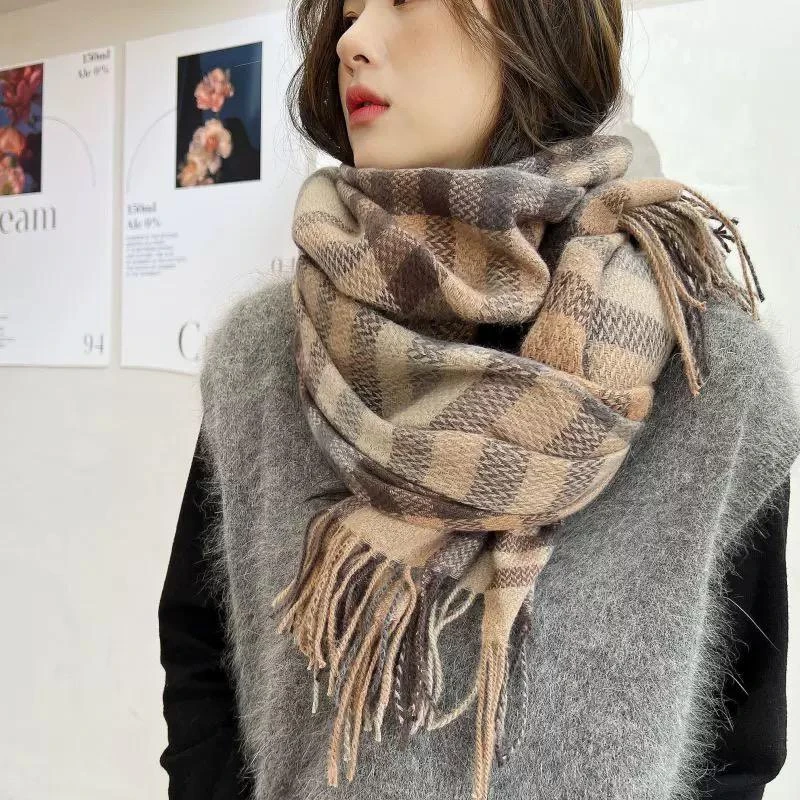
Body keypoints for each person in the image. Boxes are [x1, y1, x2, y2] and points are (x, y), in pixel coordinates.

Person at [158, 1, 800, 798]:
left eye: (401, 1)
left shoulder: (707, 374)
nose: (352, 40)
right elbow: (201, 654)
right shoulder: (262, 356)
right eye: (347, 14)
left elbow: (739, 740)